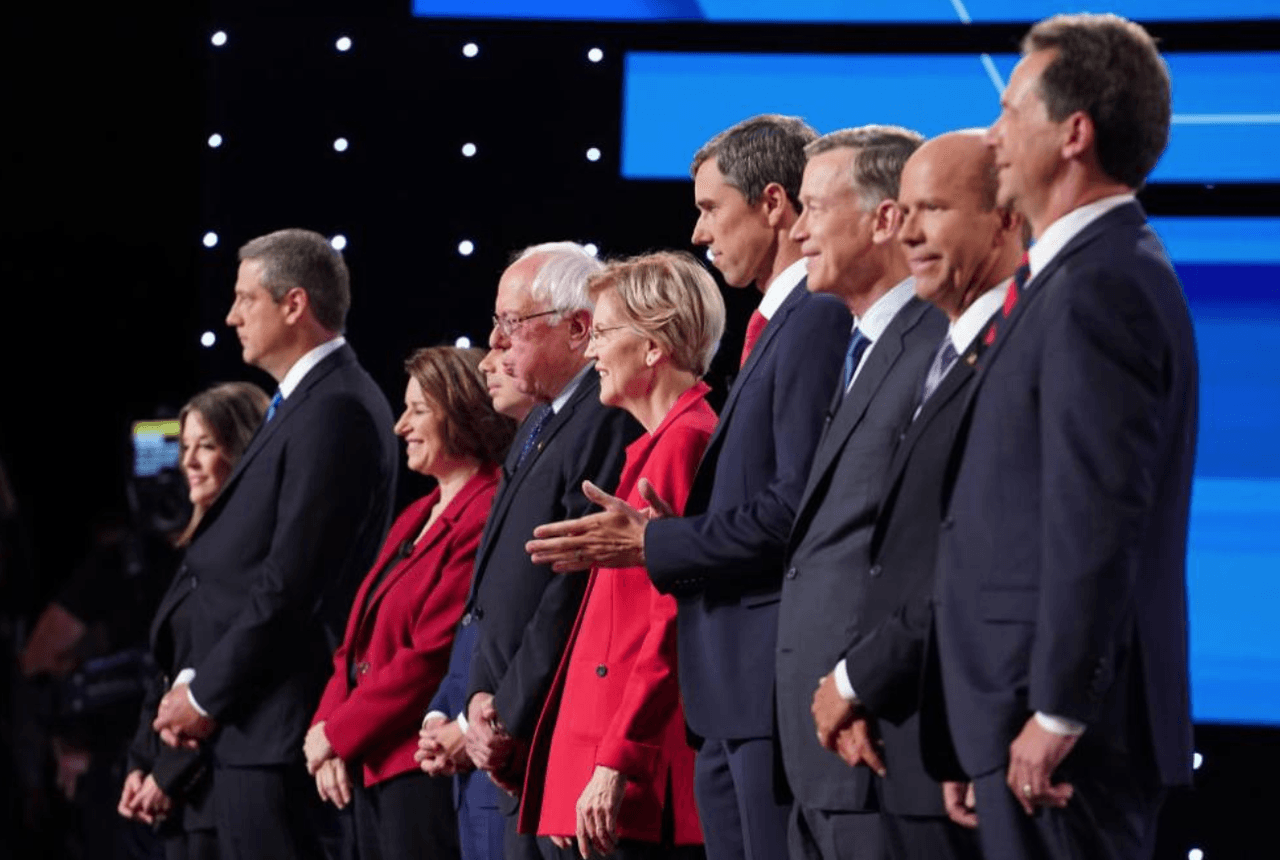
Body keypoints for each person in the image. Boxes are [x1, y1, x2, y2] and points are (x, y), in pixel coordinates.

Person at [525, 116, 850, 860]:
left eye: (709, 208)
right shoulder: (775, 325)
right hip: (728, 698)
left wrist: (652, 541)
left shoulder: (816, 319)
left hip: (761, 689)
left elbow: (797, 504)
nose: (699, 233)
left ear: (773, 203)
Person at [929, 14, 1198, 860]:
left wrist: (1057, 711)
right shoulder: (1074, 278)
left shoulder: (1102, 286)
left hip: (1062, 741)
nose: (992, 135)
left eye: (1011, 112)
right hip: (1012, 723)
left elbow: (1098, 515)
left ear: (1074, 133)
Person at [149, 228, 399, 860]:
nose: (231, 316)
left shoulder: (337, 407)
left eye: (244, 299)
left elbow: (292, 582)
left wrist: (205, 693)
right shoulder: (302, 403)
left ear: (293, 305)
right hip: (254, 727)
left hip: (279, 729)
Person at [808, 130, 1024, 860]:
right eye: (904, 209)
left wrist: (855, 676)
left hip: (972, 730)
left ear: (1005, 220)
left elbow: (982, 556)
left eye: (933, 207)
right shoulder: (953, 343)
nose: (907, 229)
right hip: (912, 733)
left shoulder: (1016, 347)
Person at [420, 242, 640, 860]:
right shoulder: (540, 423)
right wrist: (478, 705)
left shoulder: (603, 417)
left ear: (578, 328)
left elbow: (568, 587)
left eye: (512, 324)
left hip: (542, 729)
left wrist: (504, 713)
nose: (496, 339)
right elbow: (495, 595)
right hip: (505, 729)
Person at [518, 252, 722, 860]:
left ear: (654, 347)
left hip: (639, 774)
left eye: (603, 334)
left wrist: (612, 766)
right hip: (606, 761)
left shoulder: (685, 442)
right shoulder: (658, 443)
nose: (591, 352)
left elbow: (666, 627)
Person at [775, 124, 941, 860]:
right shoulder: (861, 348)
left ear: (883, 220)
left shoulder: (935, 343)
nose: (798, 229)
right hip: (819, 745)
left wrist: (862, 682)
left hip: (877, 733)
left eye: (814, 208)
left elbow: (927, 544)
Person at [302, 346, 514, 860]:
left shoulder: (487, 511)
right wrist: (325, 734)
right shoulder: (417, 512)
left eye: (418, 409)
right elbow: (353, 644)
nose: (401, 426)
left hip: (419, 769)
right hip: (369, 765)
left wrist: (338, 734)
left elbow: (431, 655)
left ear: (462, 411)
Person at [117, 382, 269, 860]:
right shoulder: (194, 550)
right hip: (181, 801)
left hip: (220, 793)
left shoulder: (258, 555)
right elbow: (167, 669)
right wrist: (140, 765)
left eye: (207, 446)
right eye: (185, 447)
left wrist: (171, 772)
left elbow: (230, 672)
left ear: (242, 448)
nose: (189, 462)